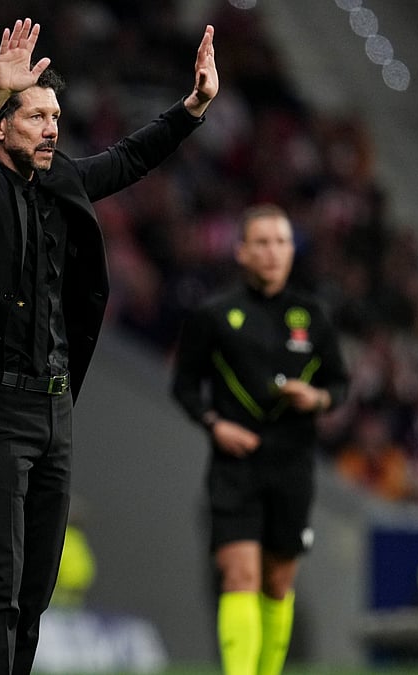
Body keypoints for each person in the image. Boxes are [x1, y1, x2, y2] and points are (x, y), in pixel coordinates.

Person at [0, 17, 218, 675]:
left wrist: (192, 107)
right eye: (36, 116)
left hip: (55, 410)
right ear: (2, 124)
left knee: (37, 586)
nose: (53, 126)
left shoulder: (59, 182)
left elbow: (131, 157)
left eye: (56, 114)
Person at [171, 205, 348, 675]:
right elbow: (184, 385)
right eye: (262, 243)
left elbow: (340, 384)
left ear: (292, 251)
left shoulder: (312, 316)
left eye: (281, 242)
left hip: (292, 465)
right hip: (235, 466)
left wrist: (316, 399)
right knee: (239, 574)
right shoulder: (214, 315)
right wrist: (214, 425)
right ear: (242, 252)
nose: (273, 252)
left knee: (277, 581)